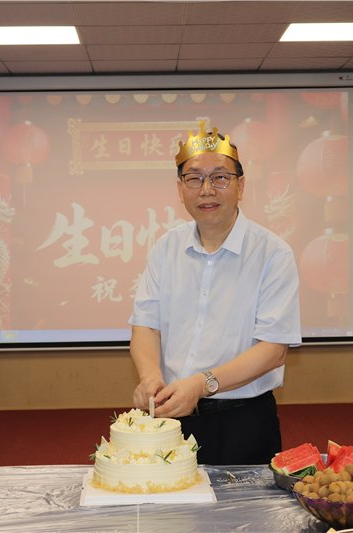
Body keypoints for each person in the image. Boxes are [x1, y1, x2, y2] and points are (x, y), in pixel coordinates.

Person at [128, 121, 301, 465]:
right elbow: (146, 325)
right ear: (180, 189)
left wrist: (200, 384)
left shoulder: (272, 254)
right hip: (170, 416)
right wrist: (150, 378)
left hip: (242, 420)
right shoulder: (166, 248)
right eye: (194, 179)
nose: (207, 190)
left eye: (220, 177)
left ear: (241, 186)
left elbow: (273, 350)